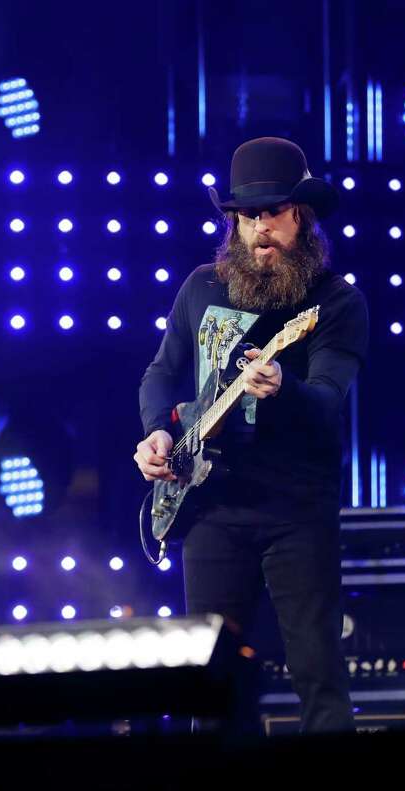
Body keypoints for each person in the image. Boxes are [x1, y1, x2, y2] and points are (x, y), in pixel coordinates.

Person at [134, 137, 368, 732]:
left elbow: (327, 400)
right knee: (207, 681)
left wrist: (282, 389)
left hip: (297, 509)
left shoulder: (334, 303)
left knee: (317, 670)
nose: (260, 228)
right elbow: (160, 374)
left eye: (274, 213)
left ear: (302, 216)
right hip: (211, 506)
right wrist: (156, 435)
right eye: (247, 215)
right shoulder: (201, 288)